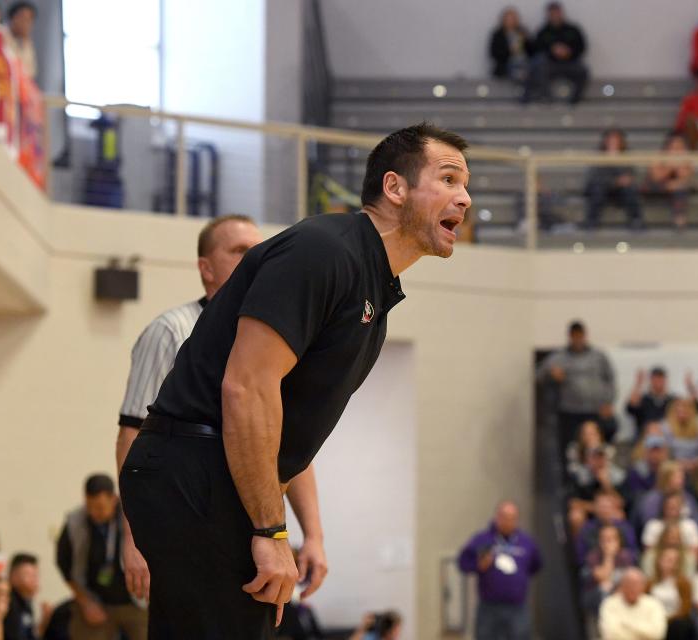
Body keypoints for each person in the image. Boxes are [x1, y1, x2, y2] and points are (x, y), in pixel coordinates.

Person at [120, 123, 471, 637]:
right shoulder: (324, 251)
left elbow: (287, 427)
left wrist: (296, 529)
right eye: (448, 178)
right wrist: (269, 529)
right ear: (395, 188)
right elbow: (246, 388)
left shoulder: (372, 280)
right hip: (196, 472)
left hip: (213, 478)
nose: (464, 198)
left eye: (465, 185)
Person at [113, 215, 272, 605]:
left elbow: (282, 439)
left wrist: (314, 535)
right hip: (180, 515)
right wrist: (133, 536)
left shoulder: (272, 337)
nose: (253, 259)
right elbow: (132, 435)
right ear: (206, 267)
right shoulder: (171, 330)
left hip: (249, 521)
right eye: (239, 251)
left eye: (258, 250)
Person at [56, 474, 146, 640]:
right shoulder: (74, 522)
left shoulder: (135, 517)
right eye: (89, 506)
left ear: (114, 499)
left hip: (136, 601)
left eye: (100, 506)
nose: (94, 512)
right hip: (94, 602)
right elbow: (64, 564)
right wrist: (85, 602)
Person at [458, 501, 541, 640]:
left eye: (512, 518)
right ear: (497, 517)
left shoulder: (526, 542)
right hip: (489, 607)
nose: (508, 522)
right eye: (504, 517)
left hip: (517, 607)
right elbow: (462, 563)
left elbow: (536, 565)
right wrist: (478, 566)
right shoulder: (482, 539)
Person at [537, 320, 617, 444]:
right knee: (570, 446)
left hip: (595, 411)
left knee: (597, 444)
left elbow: (610, 379)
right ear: (570, 336)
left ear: (585, 336)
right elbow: (539, 374)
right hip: (570, 412)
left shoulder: (598, 356)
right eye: (575, 336)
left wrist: (608, 402)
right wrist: (551, 374)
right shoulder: (559, 357)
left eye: (580, 336)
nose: (578, 339)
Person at [523, 2, 588, 104]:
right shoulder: (543, 32)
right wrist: (552, 51)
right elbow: (535, 51)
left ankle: (575, 102)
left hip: (570, 63)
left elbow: (582, 47)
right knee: (538, 65)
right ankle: (546, 99)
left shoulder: (573, 30)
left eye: (557, 13)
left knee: (583, 70)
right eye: (552, 13)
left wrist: (568, 51)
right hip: (550, 65)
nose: (555, 16)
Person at [583, 129, 644, 231]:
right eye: (611, 140)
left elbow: (631, 174)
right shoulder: (598, 156)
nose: (613, 143)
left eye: (616, 140)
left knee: (630, 189)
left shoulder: (627, 156)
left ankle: (636, 220)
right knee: (597, 189)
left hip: (621, 191)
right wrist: (615, 181)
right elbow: (595, 178)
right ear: (605, 141)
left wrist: (624, 179)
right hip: (603, 189)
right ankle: (591, 221)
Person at [579, 524, 635, 626]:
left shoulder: (626, 556)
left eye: (611, 539)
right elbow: (603, 577)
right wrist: (609, 556)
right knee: (605, 587)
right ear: (599, 541)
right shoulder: (593, 556)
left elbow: (629, 581)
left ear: (619, 540)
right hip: (596, 601)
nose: (607, 542)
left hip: (622, 599)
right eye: (604, 539)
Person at [599, 568, 668, 640]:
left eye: (636, 584)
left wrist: (626, 625)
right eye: (629, 583)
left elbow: (657, 634)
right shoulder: (609, 604)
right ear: (622, 586)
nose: (633, 588)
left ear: (643, 586)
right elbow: (611, 635)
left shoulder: (654, 604)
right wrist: (643, 632)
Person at [644, 134, 695, 230]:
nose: (676, 150)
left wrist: (679, 165)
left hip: (677, 189)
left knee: (681, 189)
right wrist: (670, 165)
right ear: (668, 147)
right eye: (674, 147)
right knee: (678, 188)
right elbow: (656, 177)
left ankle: (680, 220)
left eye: (679, 147)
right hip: (656, 187)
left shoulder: (686, 159)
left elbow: (687, 178)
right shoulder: (658, 156)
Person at [647, 547, 696, 640]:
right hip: (654, 619)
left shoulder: (684, 583)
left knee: (681, 624)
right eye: (668, 559)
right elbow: (644, 603)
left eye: (674, 560)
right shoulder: (650, 583)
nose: (670, 563)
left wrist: (668, 619)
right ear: (659, 560)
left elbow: (685, 608)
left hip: (675, 620)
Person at [4, 553, 49, 640]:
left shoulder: (26, 602)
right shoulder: (8, 603)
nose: (34, 580)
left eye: (36, 575)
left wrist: (44, 622)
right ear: (13, 576)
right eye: (29, 575)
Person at [489, 7, 535, 81]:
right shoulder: (498, 34)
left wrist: (526, 40)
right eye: (508, 19)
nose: (511, 21)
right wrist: (509, 51)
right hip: (506, 63)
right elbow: (493, 53)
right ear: (503, 20)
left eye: (513, 19)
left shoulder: (522, 31)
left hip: (524, 62)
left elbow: (532, 51)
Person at [665, 397, 698, 468]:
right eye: (679, 410)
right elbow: (665, 452)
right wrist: (679, 462)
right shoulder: (666, 427)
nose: (682, 412)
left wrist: (695, 462)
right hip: (673, 466)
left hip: (694, 466)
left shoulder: (697, 428)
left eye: (685, 410)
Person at [565, 420, 606, 487]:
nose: (589, 437)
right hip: (583, 488)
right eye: (585, 434)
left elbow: (614, 477)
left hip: (604, 488)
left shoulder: (607, 449)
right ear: (580, 435)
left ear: (599, 435)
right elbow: (580, 478)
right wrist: (589, 451)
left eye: (592, 433)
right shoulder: (574, 450)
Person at [6, 2, 36, 80]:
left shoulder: (27, 43)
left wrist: (26, 43)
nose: (26, 24)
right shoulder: (1, 36)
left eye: (30, 20)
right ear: (13, 18)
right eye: (23, 18)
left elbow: (30, 74)